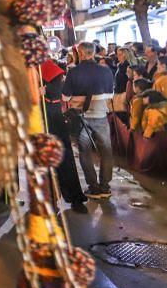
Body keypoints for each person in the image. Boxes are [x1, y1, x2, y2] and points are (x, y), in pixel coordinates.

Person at [62, 41, 115, 200]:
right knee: (106, 151)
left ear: (81, 53)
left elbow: (65, 96)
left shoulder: (73, 72)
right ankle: (105, 186)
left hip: (81, 118)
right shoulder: (106, 71)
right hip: (100, 115)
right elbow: (110, 94)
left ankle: (94, 188)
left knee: (85, 152)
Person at [40, 59, 88, 213]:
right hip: (36, 117)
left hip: (52, 116)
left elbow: (59, 88)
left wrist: (45, 91)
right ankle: (48, 200)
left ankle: (74, 197)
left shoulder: (47, 67)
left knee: (64, 157)